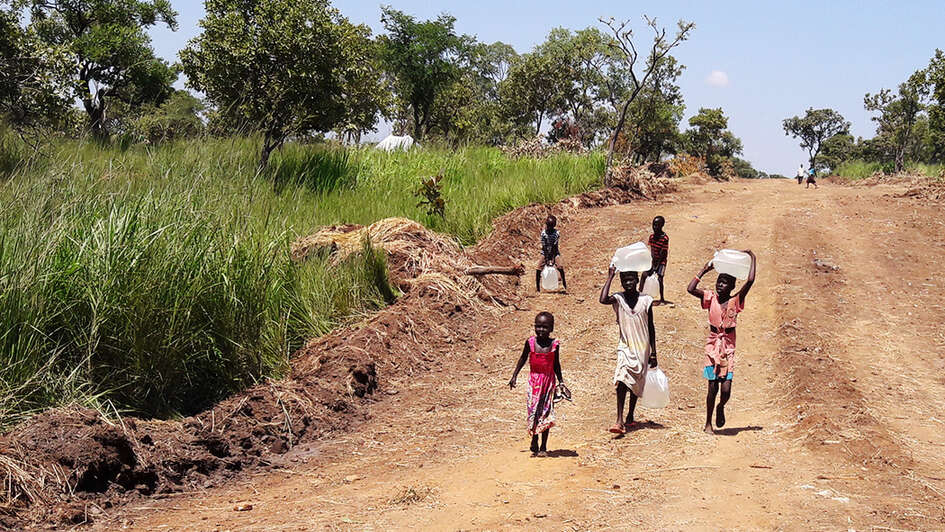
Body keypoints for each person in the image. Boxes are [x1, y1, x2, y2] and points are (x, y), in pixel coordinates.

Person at [686, 250, 757, 434]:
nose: (720, 285)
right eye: (719, 282)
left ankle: (721, 406)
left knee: (725, 388)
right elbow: (690, 289)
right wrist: (704, 270)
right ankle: (708, 422)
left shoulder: (736, 300)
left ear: (732, 285)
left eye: (725, 283)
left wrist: (753, 259)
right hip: (712, 346)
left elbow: (749, 281)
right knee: (712, 386)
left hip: (728, 348)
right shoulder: (710, 298)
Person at [599, 266, 657, 434]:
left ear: (638, 280)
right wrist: (610, 276)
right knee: (622, 379)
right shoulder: (618, 298)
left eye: (631, 279)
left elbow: (651, 327)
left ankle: (630, 414)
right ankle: (619, 420)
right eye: (625, 280)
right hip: (625, 346)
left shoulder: (646, 300)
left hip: (642, 347)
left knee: (637, 382)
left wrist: (654, 352)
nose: (628, 283)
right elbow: (603, 300)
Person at [508, 311, 566, 457]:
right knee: (533, 412)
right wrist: (514, 376)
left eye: (545, 327)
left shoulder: (554, 345)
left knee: (546, 413)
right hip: (534, 383)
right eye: (538, 326)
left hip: (548, 383)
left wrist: (561, 382)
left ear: (551, 328)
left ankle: (543, 446)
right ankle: (534, 438)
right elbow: (522, 359)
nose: (541, 330)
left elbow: (556, 364)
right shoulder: (530, 343)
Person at [640, 216, 669, 305]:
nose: (655, 227)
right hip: (653, 260)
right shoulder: (652, 237)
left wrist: (657, 265)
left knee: (660, 279)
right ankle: (639, 293)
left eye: (657, 225)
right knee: (644, 275)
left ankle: (662, 298)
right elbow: (651, 249)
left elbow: (663, 253)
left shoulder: (665, 238)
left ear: (662, 225)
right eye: (654, 225)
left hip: (662, 262)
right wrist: (651, 262)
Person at [535, 215, 567, 292]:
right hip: (545, 252)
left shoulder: (556, 233)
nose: (549, 228)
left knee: (560, 267)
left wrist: (552, 258)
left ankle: (564, 283)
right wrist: (546, 258)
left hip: (554, 252)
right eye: (548, 226)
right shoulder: (543, 233)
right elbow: (544, 246)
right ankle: (537, 288)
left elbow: (555, 246)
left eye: (550, 227)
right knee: (538, 268)